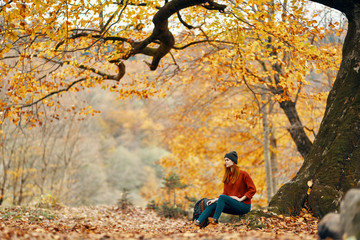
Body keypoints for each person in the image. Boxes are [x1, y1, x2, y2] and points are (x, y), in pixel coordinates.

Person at [195, 150, 256, 227]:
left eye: (227, 160)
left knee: (222, 198)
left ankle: (215, 221)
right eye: (225, 160)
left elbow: (253, 189)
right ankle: (197, 223)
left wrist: (240, 199)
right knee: (213, 204)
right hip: (233, 206)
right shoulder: (227, 176)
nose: (225, 162)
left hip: (243, 206)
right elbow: (225, 194)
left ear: (233, 161)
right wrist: (214, 199)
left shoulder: (243, 174)